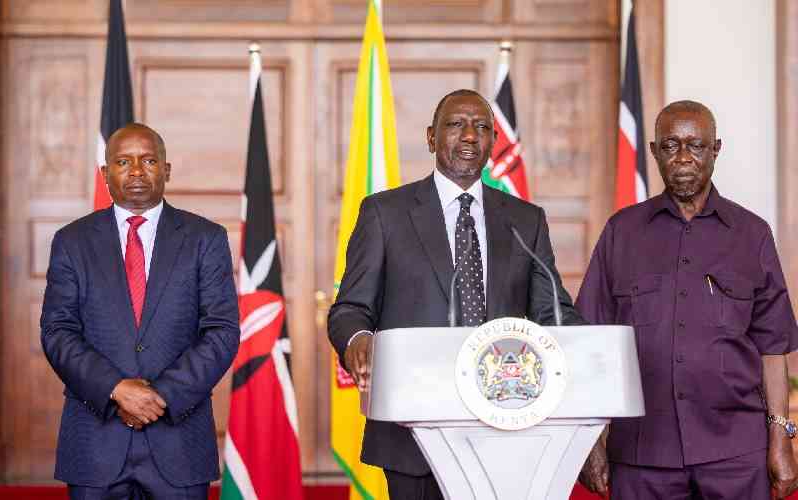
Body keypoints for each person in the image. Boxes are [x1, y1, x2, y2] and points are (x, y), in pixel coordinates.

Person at [328, 89, 585, 500]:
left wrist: (590, 349)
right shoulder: (385, 213)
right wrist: (359, 340)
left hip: (505, 423)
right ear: (431, 137)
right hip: (414, 427)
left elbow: (552, 313)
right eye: (456, 125)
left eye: (482, 127)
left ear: (493, 142)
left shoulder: (525, 220)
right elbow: (351, 308)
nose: (469, 135)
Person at [576, 100, 798, 499]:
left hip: (735, 452)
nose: (683, 157)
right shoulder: (621, 232)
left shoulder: (752, 234)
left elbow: (772, 347)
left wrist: (781, 437)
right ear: (654, 151)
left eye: (696, 145)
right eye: (670, 145)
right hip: (643, 452)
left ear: (715, 150)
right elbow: (589, 343)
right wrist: (590, 440)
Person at [40, 123, 240, 498]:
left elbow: (221, 331)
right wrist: (116, 389)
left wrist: (159, 396)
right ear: (105, 173)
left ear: (166, 170)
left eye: (148, 161)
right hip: (95, 444)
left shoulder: (206, 238)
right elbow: (58, 332)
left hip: (179, 443)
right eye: (123, 162)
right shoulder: (71, 241)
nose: (136, 171)